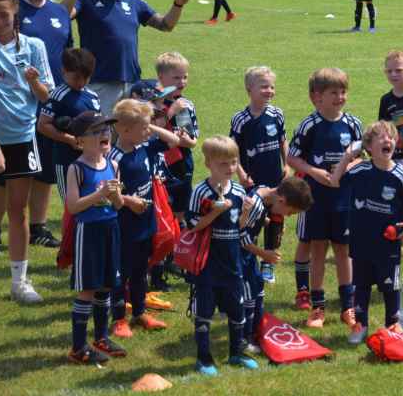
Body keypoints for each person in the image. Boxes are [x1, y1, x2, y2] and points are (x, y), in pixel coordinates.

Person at [15, 0, 91, 249]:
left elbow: (69, 54)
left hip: (53, 102)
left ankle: (38, 227)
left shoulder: (59, 12)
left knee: (46, 169)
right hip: (18, 102)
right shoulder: (11, 9)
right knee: (11, 170)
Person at [62, 0, 195, 115]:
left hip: (132, 85)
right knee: (104, 130)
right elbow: (62, 16)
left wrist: (178, 4)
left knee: (132, 130)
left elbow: (165, 25)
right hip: (100, 83)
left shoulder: (132, 1)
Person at [0, 0, 53, 304]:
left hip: (22, 137)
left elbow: (45, 95)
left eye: (3, 14)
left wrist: (33, 81)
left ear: (15, 12)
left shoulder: (34, 46)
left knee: (18, 210)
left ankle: (19, 282)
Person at [286, 68, 362, 328]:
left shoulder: (353, 124)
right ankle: (318, 308)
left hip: (345, 198)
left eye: (343, 92)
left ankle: (348, 306)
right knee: (318, 249)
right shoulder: (309, 125)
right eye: (334, 93)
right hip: (316, 198)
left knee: (344, 250)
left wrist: (347, 167)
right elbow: (292, 157)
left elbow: (362, 155)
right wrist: (313, 172)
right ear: (318, 96)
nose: (340, 97)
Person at [332, 121, 403, 344]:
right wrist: (348, 155)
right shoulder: (360, 171)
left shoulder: (399, 174)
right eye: (381, 137)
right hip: (361, 240)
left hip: (387, 243)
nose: (387, 140)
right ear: (369, 147)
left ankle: (392, 324)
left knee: (391, 286)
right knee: (361, 286)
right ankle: (360, 325)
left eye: (390, 137)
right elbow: (335, 180)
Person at [108, 98, 186, 338]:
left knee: (141, 270)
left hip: (145, 221)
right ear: (124, 130)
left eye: (148, 127)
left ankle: (139, 312)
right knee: (121, 272)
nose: (148, 131)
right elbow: (110, 193)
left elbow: (174, 141)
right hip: (124, 224)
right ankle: (118, 318)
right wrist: (130, 201)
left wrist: (148, 125)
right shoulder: (114, 158)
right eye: (143, 128)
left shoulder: (144, 146)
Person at [186, 136, 259, 375]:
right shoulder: (200, 191)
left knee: (237, 309)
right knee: (205, 311)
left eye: (233, 162)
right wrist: (214, 212)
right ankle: (203, 358)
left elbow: (238, 227)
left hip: (232, 260)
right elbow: (192, 226)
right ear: (208, 163)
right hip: (207, 261)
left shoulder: (238, 190)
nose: (229, 168)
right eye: (223, 164)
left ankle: (236, 352)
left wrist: (245, 213)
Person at [62, 111, 125, 365]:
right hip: (88, 233)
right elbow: (73, 206)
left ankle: (101, 337)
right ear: (80, 141)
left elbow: (119, 205)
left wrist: (115, 195)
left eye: (107, 129)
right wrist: (99, 195)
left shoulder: (113, 165)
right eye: (97, 131)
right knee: (88, 288)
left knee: (106, 284)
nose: (105, 134)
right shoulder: (76, 169)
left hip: (111, 229)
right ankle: (78, 347)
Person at [238, 177, 312, 353]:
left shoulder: (265, 191)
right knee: (249, 294)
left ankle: (257, 331)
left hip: (248, 256)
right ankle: (244, 338)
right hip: (240, 257)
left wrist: (265, 221)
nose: (287, 216)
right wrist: (264, 254)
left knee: (258, 287)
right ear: (282, 201)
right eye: (290, 212)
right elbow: (239, 236)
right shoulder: (255, 205)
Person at [230, 66, 289, 286]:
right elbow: (232, 149)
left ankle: (268, 263)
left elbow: (283, 140)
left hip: (275, 179)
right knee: (252, 220)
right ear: (249, 89)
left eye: (272, 87)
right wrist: (241, 173)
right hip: (252, 182)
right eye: (264, 87)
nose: (269, 91)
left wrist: (287, 164)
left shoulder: (277, 114)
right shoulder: (240, 119)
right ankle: (249, 259)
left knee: (276, 219)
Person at [37, 48, 101, 201]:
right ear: (64, 71)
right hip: (66, 159)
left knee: (92, 200)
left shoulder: (93, 96)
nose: (81, 82)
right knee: (71, 203)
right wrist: (70, 139)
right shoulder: (57, 96)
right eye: (77, 78)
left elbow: (99, 124)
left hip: (92, 158)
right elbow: (43, 125)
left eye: (86, 78)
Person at [156, 52, 199, 221]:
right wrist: (171, 111)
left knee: (182, 207)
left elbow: (192, 139)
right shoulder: (153, 103)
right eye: (176, 78)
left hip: (182, 162)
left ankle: (179, 234)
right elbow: (151, 131)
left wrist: (189, 141)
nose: (182, 82)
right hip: (160, 163)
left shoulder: (186, 104)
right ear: (161, 77)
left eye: (185, 77)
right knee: (162, 205)